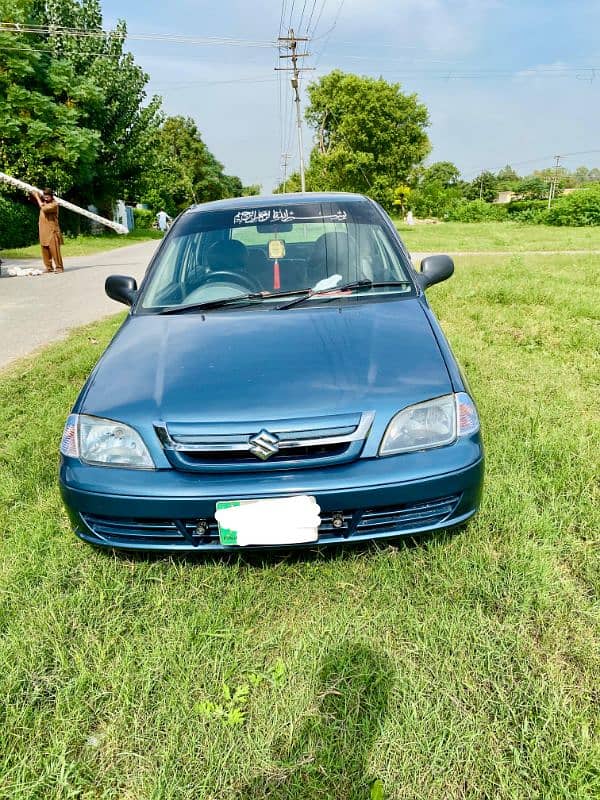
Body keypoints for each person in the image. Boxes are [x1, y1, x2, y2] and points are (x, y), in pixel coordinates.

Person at [33, 188, 64, 273]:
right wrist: (35, 193)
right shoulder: (44, 202)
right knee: (45, 249)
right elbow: (37, 201)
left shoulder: (54, 204)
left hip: (52, 231)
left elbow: (44, 209)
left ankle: (59, 267)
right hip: (43, 230)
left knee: (54, 250)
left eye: (47, 197)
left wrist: (37, 197)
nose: (46, 198)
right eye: (45, 196)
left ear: (51, 196)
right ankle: (48, 267)